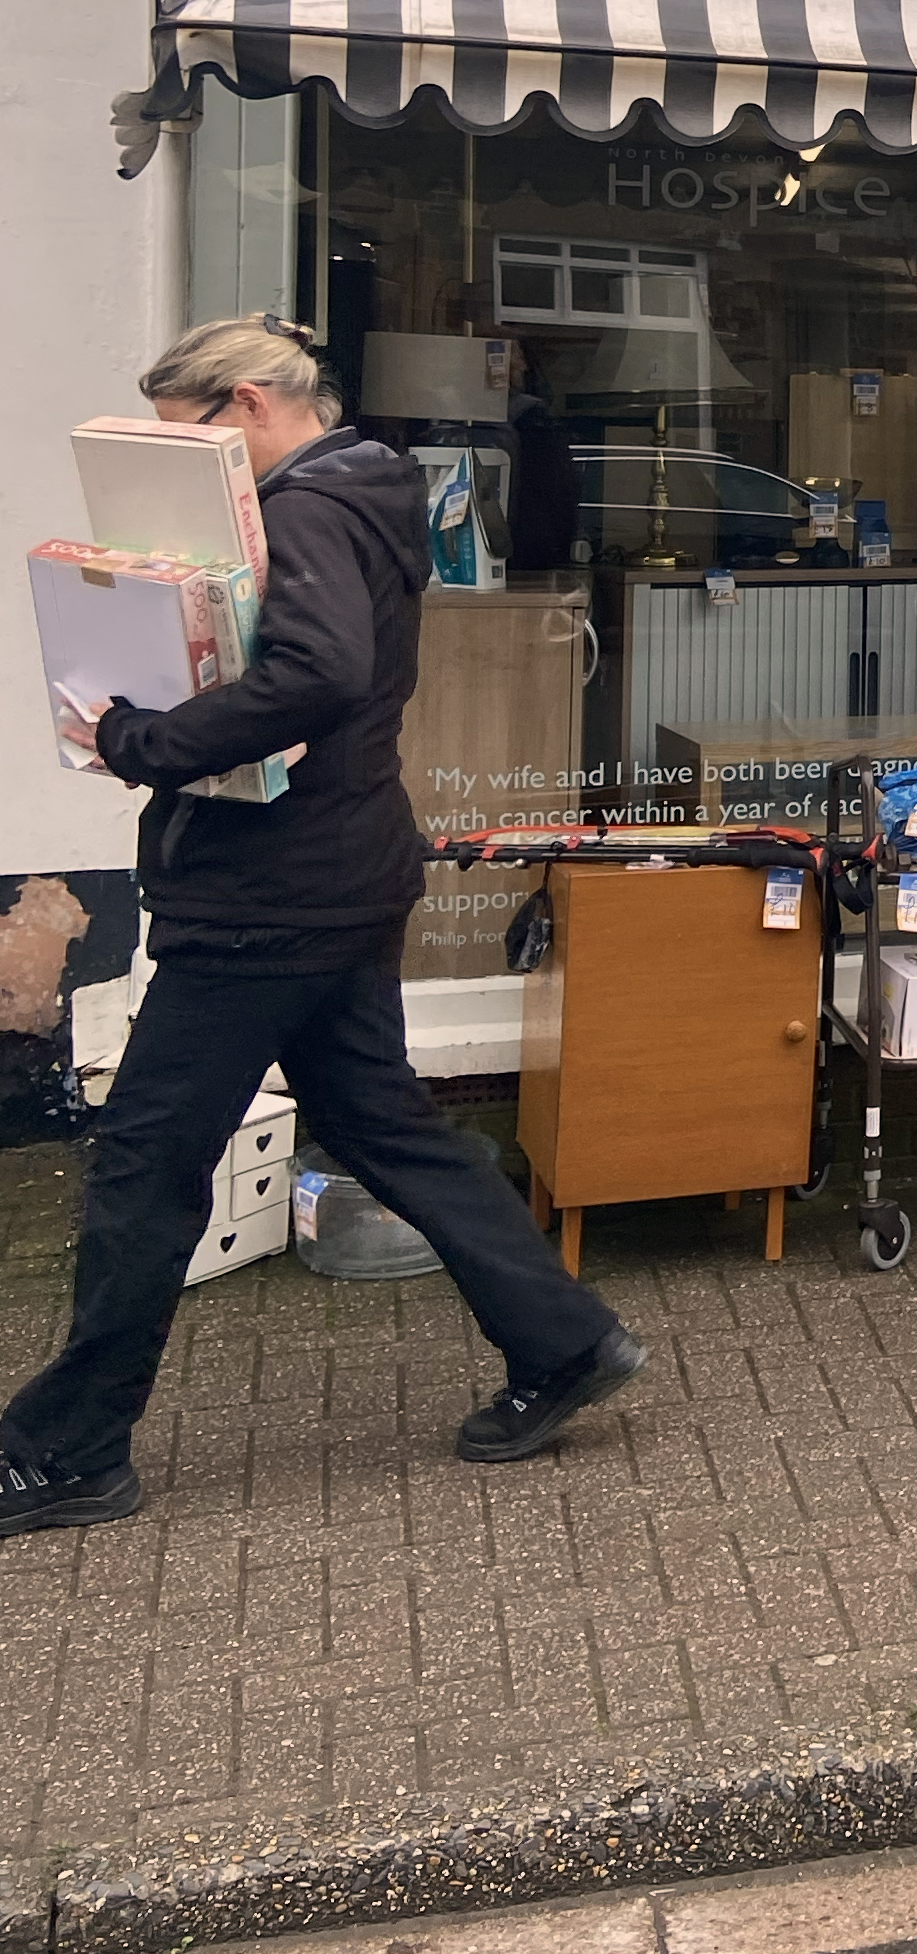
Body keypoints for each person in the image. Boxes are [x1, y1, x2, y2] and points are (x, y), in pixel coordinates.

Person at [0, 318, 641, 1541]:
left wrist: (143, 741)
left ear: (247, 405)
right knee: (378, 1120)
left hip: (268, 899)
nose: (183, 461)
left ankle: (69, 1450)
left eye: (189, 435)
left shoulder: (297, 514)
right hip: (337, 870)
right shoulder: (361, 492)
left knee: (144, 1161)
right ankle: (566, 1342)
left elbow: (316, 673)